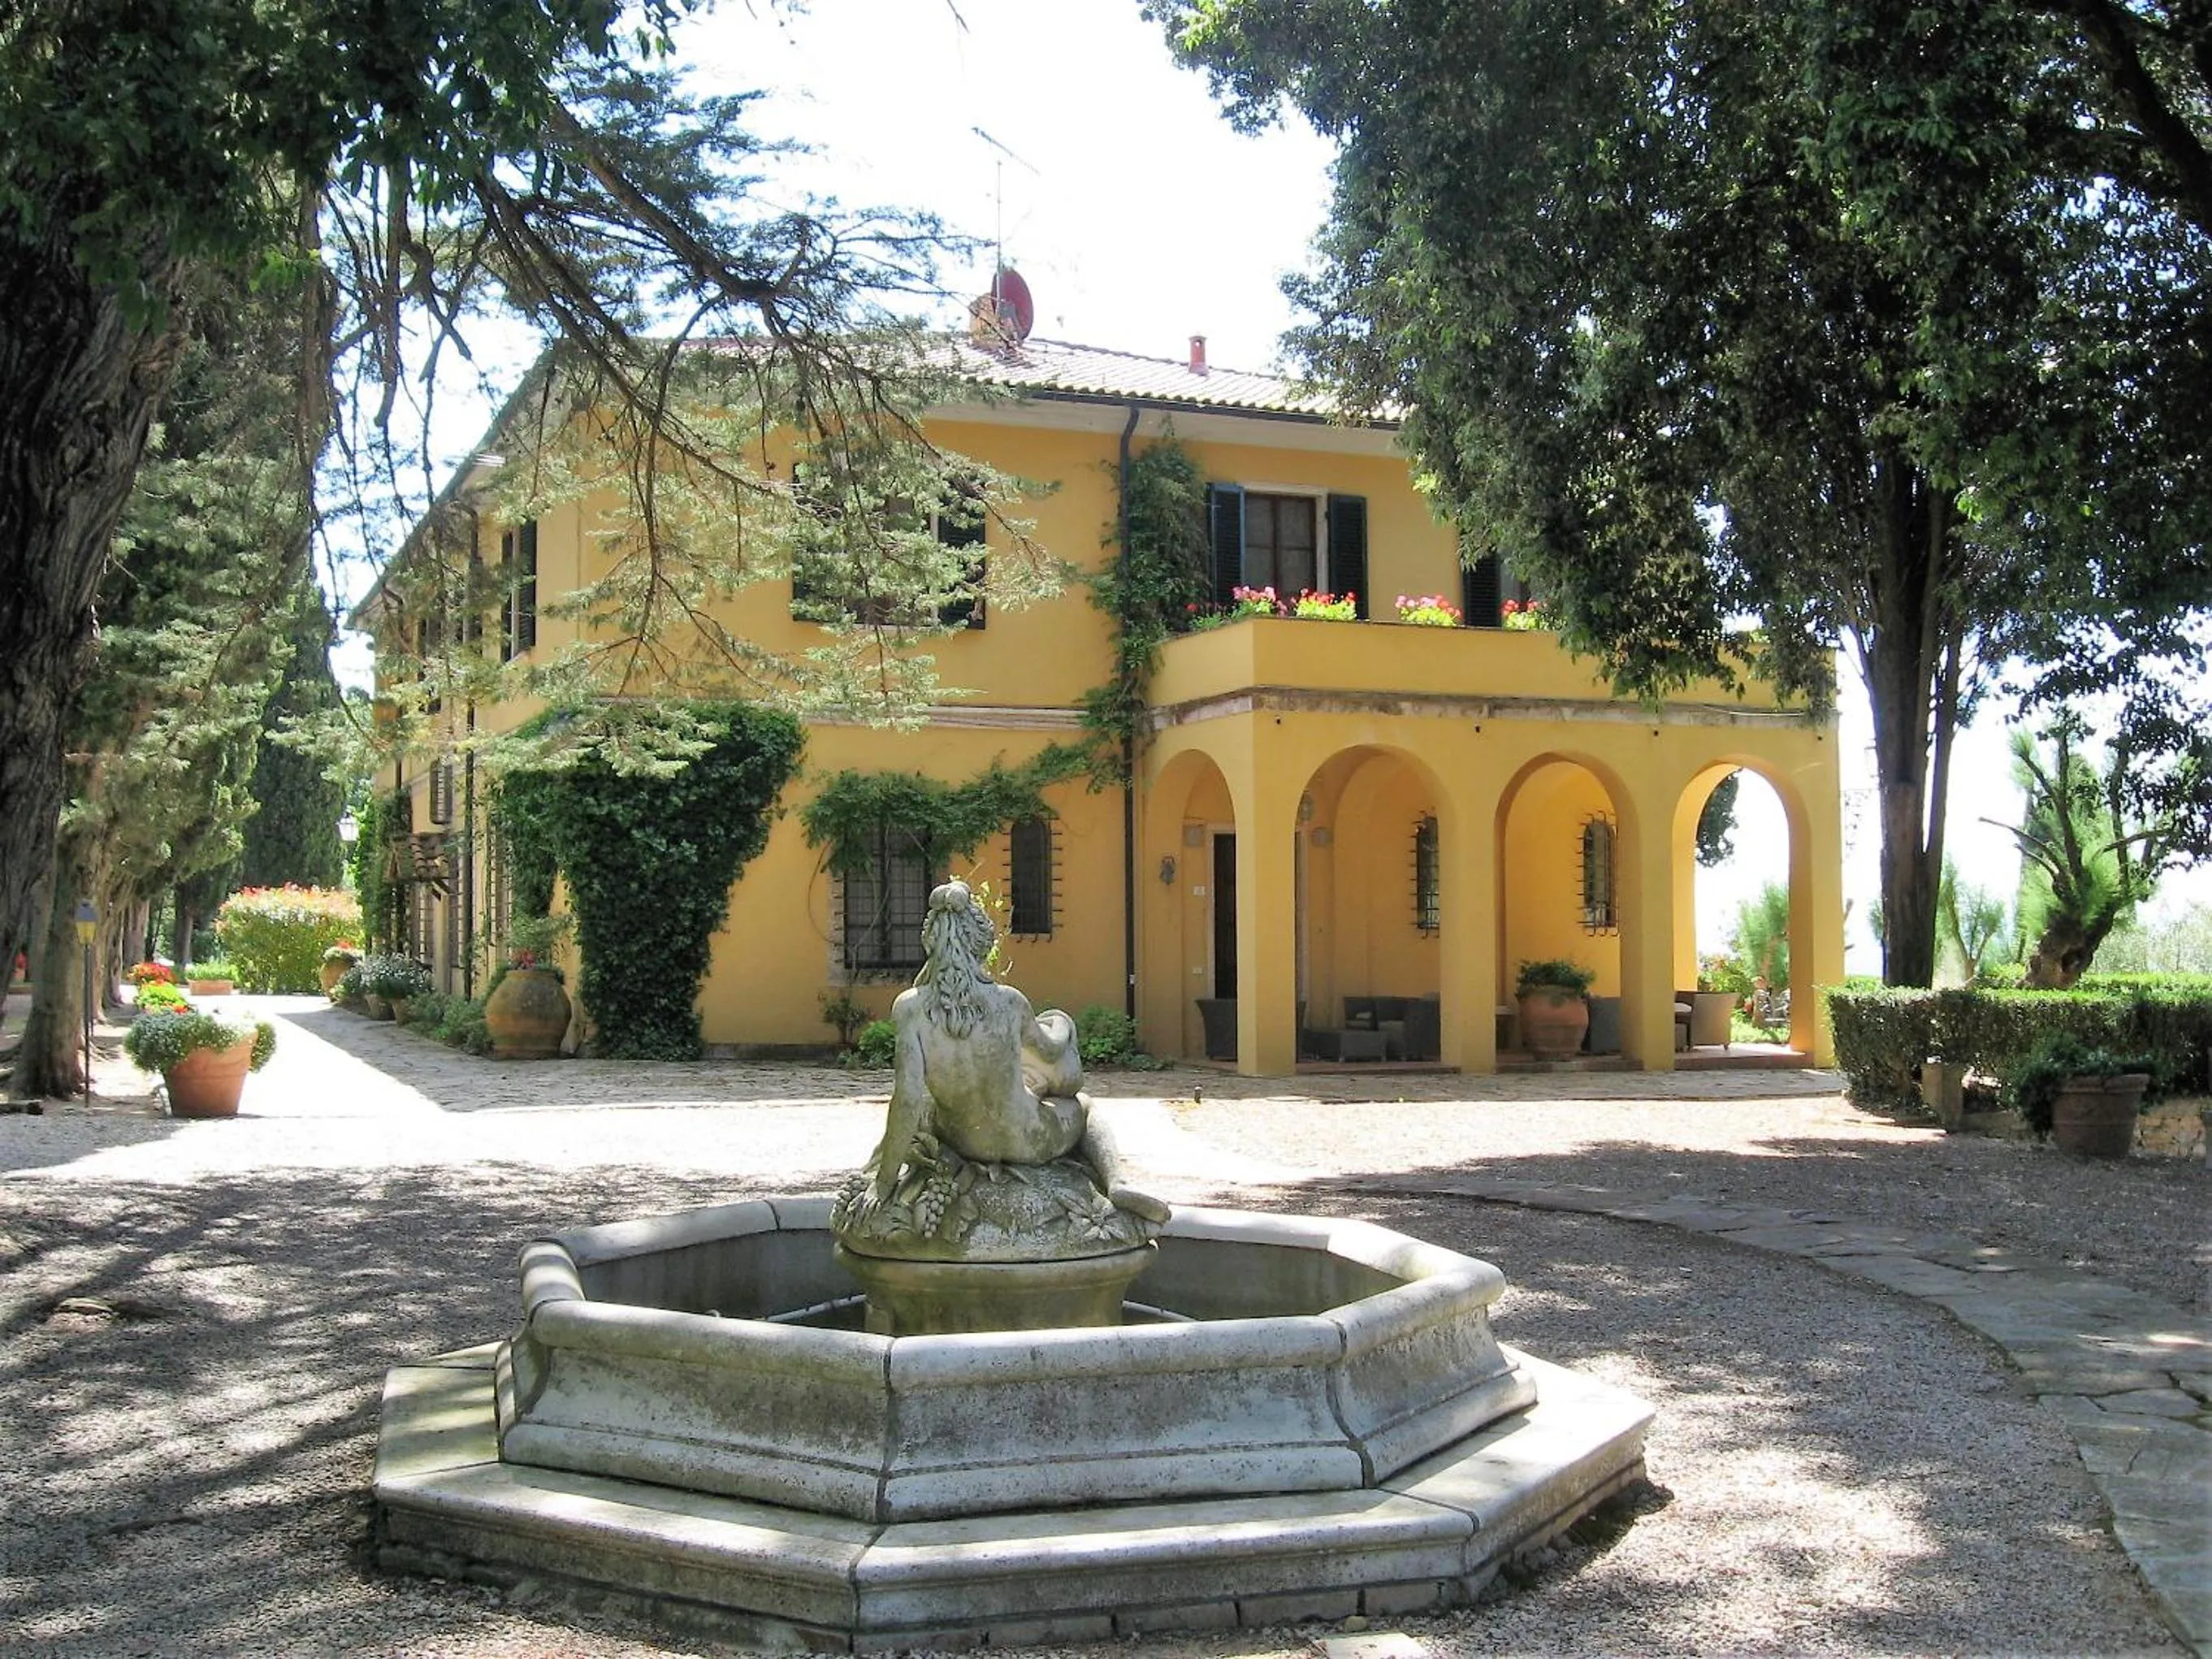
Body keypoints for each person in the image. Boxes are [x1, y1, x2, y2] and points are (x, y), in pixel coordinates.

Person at [855, 880, 1168, 1224]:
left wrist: (883, 1184)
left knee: (928, 1106)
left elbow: (908, 1099)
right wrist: (1061, 1023)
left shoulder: (910, 1009)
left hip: (965, 1140)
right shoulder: (1010, 1002)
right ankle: (1118, 1183)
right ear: (981, 943)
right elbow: (1049, 1053)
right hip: (1028, 1138)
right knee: (1085, 1107)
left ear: (931, 941)